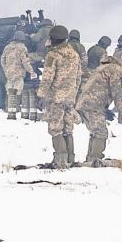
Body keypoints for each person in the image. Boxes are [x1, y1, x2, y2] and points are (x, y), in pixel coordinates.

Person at [38, 24, 83, 169]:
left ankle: (60, 159)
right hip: (70, 97)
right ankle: (70, 157)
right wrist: (73, 93)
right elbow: (78, 77)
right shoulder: (74, 55)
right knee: (68, 128)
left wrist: (41, 95)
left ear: (53, 39)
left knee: (55, 128)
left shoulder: (52, 55)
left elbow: (47, 78)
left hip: (56, 98)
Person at [75, 46, 122, 166]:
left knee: (95, 132)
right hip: (93, 105)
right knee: (101, 133)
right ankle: (95, 161)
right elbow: (118, 94)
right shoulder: (117, 70)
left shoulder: (106, 67)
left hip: (86, 103)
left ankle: (90, 160)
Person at [1, 33, 34, 120]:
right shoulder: (22, 48)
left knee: (9, 90)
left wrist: (6, 70)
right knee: (18, 90)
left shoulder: (7, 47)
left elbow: (2, 60)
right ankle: (15, 110)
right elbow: (25, 62)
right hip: (18, 73)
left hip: (9, 73)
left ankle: (8, 108)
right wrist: (31, 71)